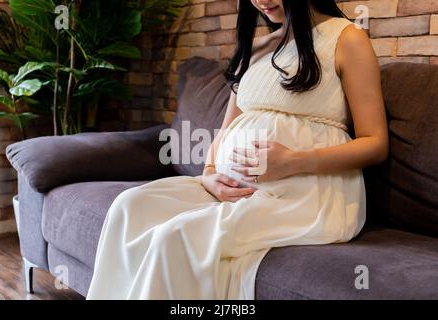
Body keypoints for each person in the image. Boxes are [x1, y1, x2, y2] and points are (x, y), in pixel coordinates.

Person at [86, 0, 388, 299]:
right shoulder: (258, 47)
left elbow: (375, 143)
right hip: (236, 190)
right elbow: (226, 129)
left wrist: (294, 161)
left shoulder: (347, 38)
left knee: (175, 238)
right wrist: (210, 173)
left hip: (309, 195)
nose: (261, 1)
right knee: (129, 207)